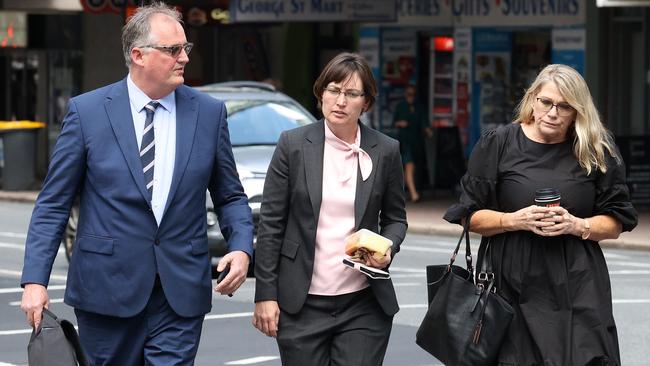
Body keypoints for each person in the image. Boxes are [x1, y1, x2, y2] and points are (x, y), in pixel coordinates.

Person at [20, 3, 253, 365]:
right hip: (106, 291)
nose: (184, 59)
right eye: (173, 49)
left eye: (185, 49)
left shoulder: (208, 114)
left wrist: (241, 247)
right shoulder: (88, 113)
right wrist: (35, 281)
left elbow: (230, 195)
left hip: (179, 292)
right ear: (138, 55)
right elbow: (53, 203)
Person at [444, 64, 638, 365]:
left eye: (564, 106)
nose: (553, 112)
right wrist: (513, 220)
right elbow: (468, 216)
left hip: (577, 282)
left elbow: (616, 222)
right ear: (532, 99)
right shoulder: (499, 143)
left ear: (577, 111)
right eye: (546, 102)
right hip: (510, 283)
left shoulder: (596, 150)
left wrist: (578, 224)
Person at [252, 52, 407, 365]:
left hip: (363, 304)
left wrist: (388, 246)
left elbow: (395, 219)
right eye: (333, 90)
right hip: (302, 304)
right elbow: (270, 225)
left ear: (366, 102)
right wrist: (265, 295)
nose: (340, 101)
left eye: (351, 94)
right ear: (321, 93)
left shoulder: (385, 150)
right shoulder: (292, 145)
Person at [393, 84, 430, 202]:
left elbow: (424, 122)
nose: (411, 97)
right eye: (409, 94)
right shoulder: (401, 106)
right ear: (405, 94)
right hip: (405, 141)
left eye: (413, 95)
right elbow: (394, 122)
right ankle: (414, 193)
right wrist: (400, 123)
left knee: (413, 168)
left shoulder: (419, 107)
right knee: (409, 166)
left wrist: (428, 130)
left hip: (417, 142)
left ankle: (403, 191)